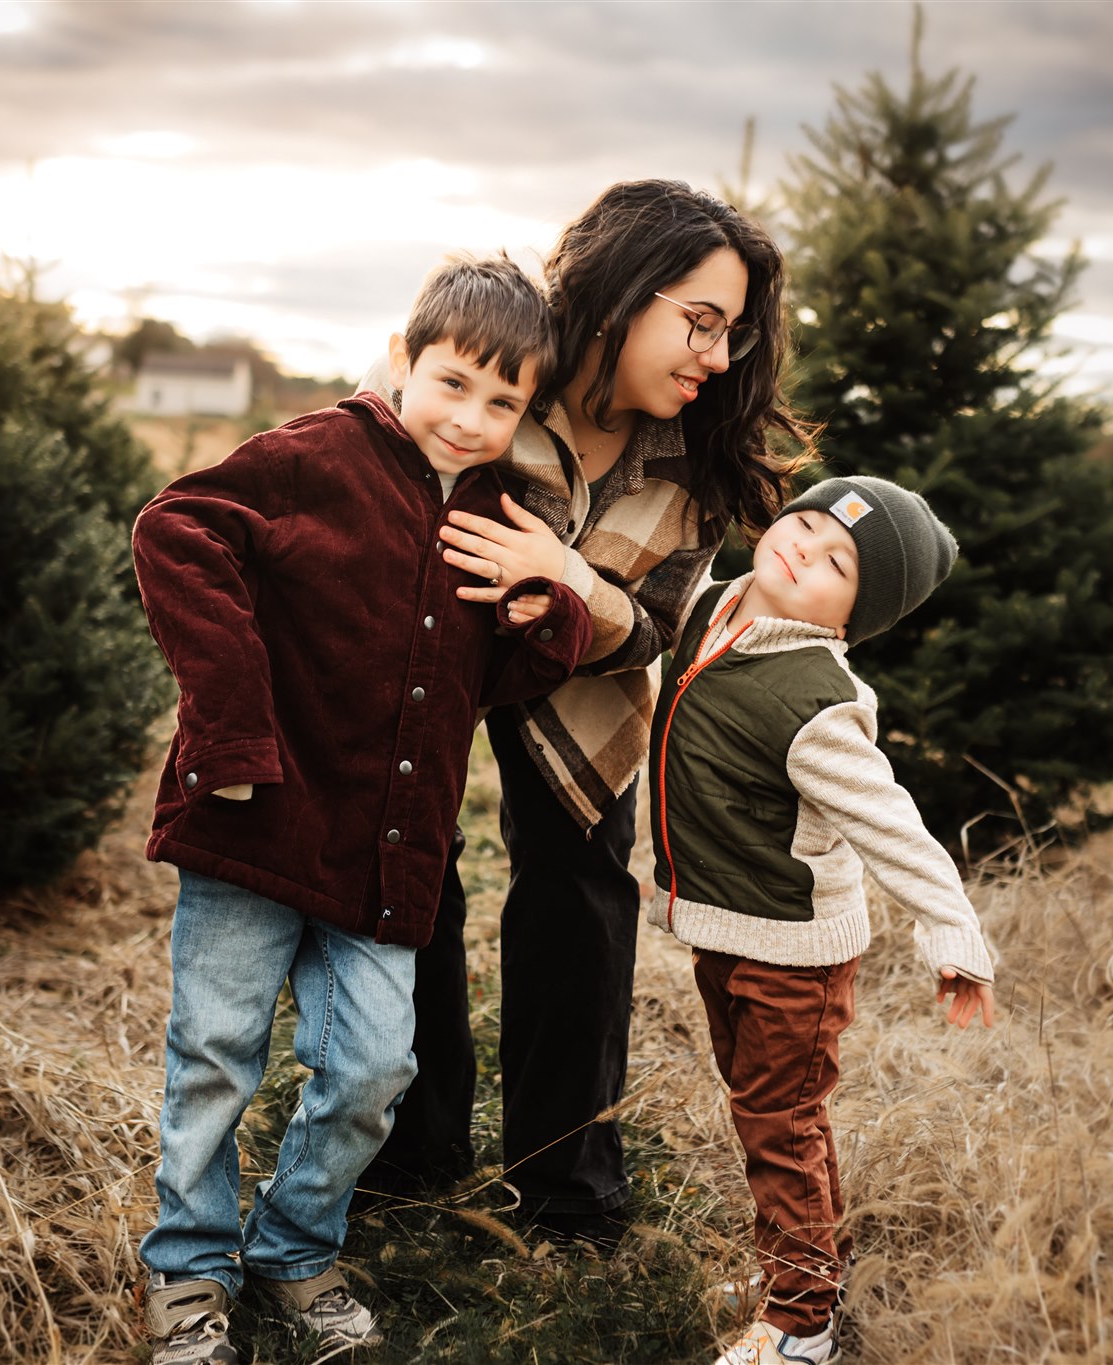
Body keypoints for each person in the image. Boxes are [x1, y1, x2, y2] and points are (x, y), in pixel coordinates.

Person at [128, 253, 592, 1365]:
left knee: (378, 1067)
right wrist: (230, 731)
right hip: (258, 824)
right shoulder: (312, 458)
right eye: (452, 384)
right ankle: (188, 1271)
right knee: (215, 1053)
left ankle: (293, 1251)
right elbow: (172, 533)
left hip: (387, 857)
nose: (470, 419)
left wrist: (548, 611)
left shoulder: (496, 515)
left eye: (502, 404)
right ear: (402, 357)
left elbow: (497, 674)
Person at [360, 180, 812, 1248]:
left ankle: (565, 1194)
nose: (712, 355)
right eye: (696, 321)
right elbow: (364, 477)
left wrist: (566, 575)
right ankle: (409, 1158)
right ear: (619, 295)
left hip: (589, 688)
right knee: (407, 877)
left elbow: (655, 625)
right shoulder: (499, 355)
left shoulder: (695, 457)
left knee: (581, 900)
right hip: (424, 658)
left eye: (730, 335)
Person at [647, 474, 1000, 1365]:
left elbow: (894, 825)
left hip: (792, 957)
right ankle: (799, 1269)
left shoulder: (820, 700)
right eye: (807, 521)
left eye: (837, 559)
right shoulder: (717, 605)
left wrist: (953, 935)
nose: (805, 544)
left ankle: (803, 1322)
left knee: (783, 1122)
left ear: (852, 617)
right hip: (728, 930)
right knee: (770, 1111)